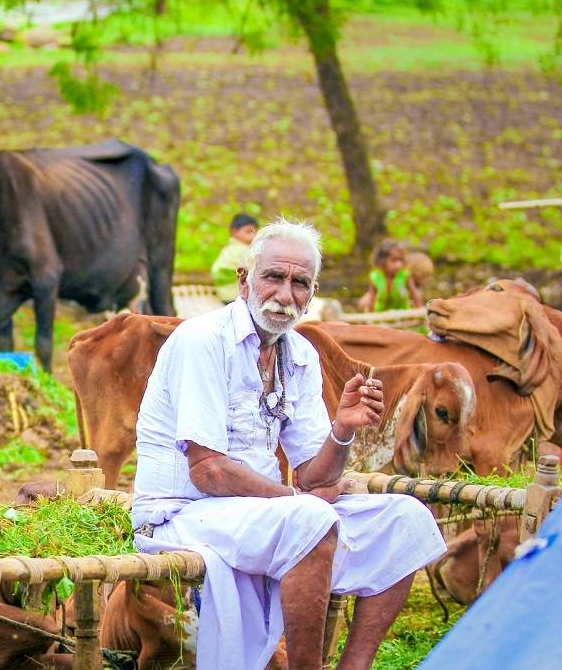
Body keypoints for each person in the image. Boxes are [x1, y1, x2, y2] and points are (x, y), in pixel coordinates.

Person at [131, 219, 445, 670]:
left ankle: (353, 666)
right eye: (274, 277)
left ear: (311, 293)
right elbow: (208, 470)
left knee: (407, 519)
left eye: (299, 283)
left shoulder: (299, 355)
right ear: (245, 280)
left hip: (262, 512)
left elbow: (315, 475)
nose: (285, 294)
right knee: (310, 517)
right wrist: (297, 500)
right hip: (183, 511)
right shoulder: (203, 340)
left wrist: (343, 428)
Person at [359, 239, 423, 312]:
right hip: (381, 314)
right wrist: (369, 317)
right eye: (394, 260)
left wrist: (419, 311)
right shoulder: (375, 277)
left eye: (400, 260)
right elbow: (371, 299)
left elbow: (414, 295)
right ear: (382, 261)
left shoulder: (404, 275)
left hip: (402, 314)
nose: (399, 264)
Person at [212, 213, 260, 304]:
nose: (253, 235)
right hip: (235, 295)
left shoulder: (229, 248)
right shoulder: (242, 250)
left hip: (225, 294)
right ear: (234, 232)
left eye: (255, 231)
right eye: (248, 231)